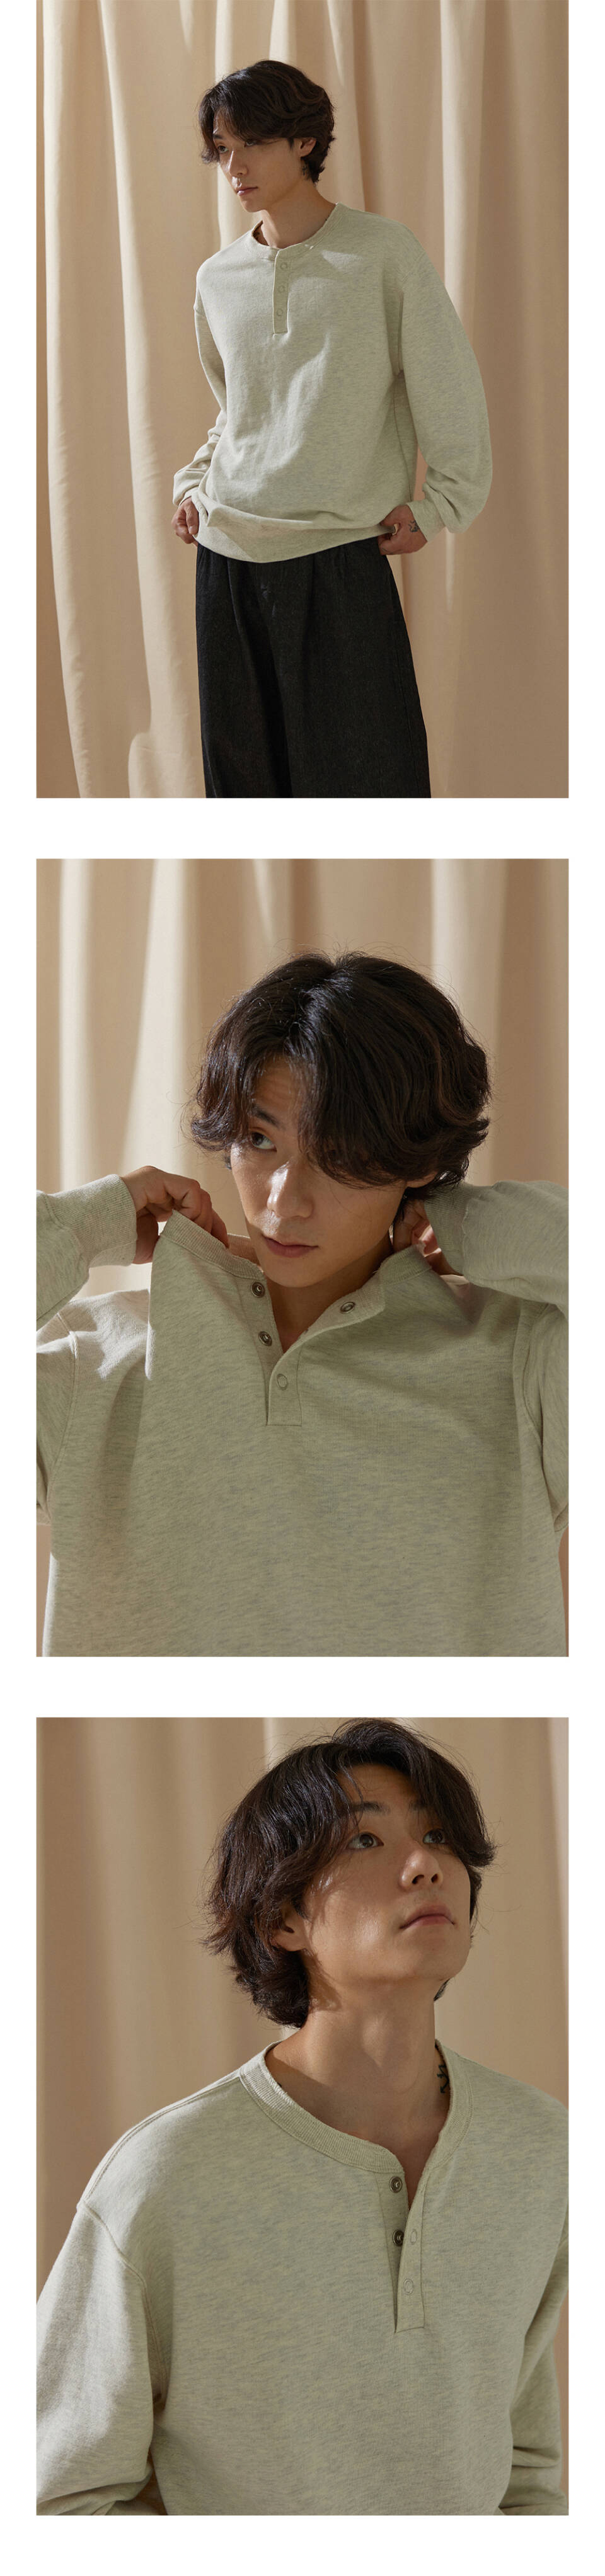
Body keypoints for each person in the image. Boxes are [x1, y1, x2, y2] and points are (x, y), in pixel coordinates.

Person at [37, 1718, 568, 2516]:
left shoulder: (542, 2148)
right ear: (283, 1918)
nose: (425, 1865)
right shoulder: (167, 2176)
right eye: (365, 1840)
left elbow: (524, 2476)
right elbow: (59, 2502)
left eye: (438, 1836)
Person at [37, 950, 567, 1657]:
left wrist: (463, 1218)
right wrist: (82, 1225)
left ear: (416, 1161)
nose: (284, 1203)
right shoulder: (92, 1365)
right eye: (259, 1140)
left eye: (339, 1154)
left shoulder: (522, 1365)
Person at [171, 59, 492, 796]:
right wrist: (194, 484)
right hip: (226, 558)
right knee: (246, 796)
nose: (235, 167)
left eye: (253, 143)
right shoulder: (217, 278)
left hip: (339, 554)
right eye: (223, 149)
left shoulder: (382, 253)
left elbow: (448, 385)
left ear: (306, 141)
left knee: (371, 788)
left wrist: (442, 504)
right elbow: (239, 408)